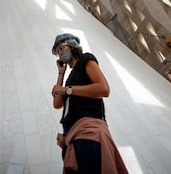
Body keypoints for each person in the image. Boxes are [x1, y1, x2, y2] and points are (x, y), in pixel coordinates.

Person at [51, 33, 128, 174]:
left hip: (87, 131)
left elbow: (103, 88)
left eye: (61, 48)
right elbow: (57, 104)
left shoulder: (86, 59)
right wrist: (61, 74)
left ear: (72, 45)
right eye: (58, 52)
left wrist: (66, 90)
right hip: (71, 135)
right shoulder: (69, 78)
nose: (60, 53)